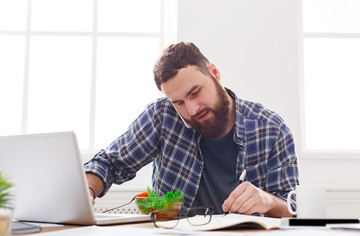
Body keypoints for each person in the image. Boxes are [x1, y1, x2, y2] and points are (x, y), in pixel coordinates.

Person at [84, 42, 299, 217]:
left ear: (214, 73)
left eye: (195, 92)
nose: (192, 109)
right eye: (179, 102)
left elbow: (293, 210)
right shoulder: (163, 116)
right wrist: (88, 189)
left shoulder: (271, 129)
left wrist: (268, 201)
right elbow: (109, 163)